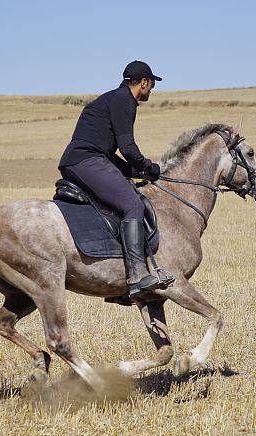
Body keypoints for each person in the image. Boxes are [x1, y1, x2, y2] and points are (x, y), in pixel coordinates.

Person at [58, 60, 163, 296]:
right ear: (144, 82)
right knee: (133, 204)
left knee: (121, 200)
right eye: (152, 85)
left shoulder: (112, 99)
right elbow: (127, 147)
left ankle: (116, 277)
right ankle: (136, 275)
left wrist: (135, 172)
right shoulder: (124, 100)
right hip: (86, 160)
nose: (152, 91)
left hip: (83, 159)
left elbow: (108, 152)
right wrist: (148, 167)